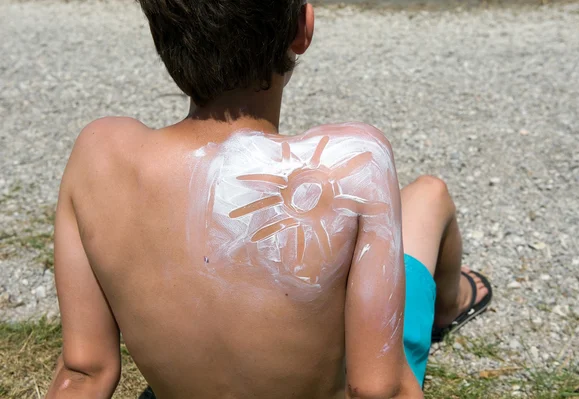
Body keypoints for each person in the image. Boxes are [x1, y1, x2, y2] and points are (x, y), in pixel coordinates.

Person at [46, 1, 492, 398]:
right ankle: (445, 306)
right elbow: (379, 387)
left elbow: (86, 371)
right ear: (304, 26)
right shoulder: (354, 159)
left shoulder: (98, 155)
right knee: (429, 195)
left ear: (161, 35)